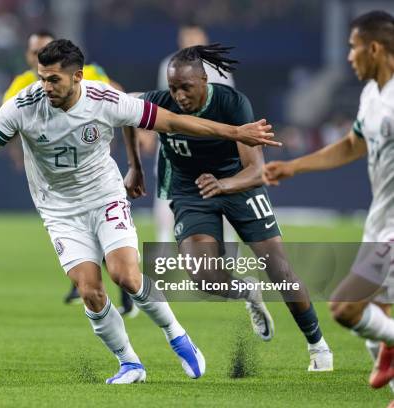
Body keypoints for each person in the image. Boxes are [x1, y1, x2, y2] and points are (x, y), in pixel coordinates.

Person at [0, 39, 277, 383]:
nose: (45, 87)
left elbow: (172, 122)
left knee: (125, 276)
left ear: (78, 76)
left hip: (105, 197)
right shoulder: (23, 106)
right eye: (41, 78)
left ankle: (178, 336)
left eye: (54, 80)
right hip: (59, 210)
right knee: (90, 291)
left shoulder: (105, 99)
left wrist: (235, 132)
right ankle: (129, 363)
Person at [124, 44, 333, 371]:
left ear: (204, 80)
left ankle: (318, 346)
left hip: (239, 186)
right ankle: (247, 292)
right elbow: (126, 110)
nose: (178, 96)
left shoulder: (232, 103)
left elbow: (256, 170)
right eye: (173, 88)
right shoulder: (161, 101)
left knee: (280, 271)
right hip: (192, 193)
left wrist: (224, 184)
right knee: (203, 276)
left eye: (186, 88)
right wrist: (135, 165)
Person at [264, 10, 394, 388]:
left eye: (353, 48)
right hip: (379, 221)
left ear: (373, 48)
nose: (349, 57)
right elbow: (353, 144)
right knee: (377, 317)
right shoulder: (371, 96)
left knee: (345, 307)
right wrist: (294, 167)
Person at [2, 29, 135, 314]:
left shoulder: (91, 73)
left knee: (104, 236)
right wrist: (16, 151)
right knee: (86, 235)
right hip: (56, 177)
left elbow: (121, 99)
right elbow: (6, 124)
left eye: (43, 49)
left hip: (93, 171)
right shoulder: (24, 84)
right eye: (33, 51)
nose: (37, 55)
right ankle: (92, 285)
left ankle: (124, 291)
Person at [154, 24, 235, 244]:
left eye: (194, 36)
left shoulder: (218, 66)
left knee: (224, 197)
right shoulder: (169, 65)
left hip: (212, 142)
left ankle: (229, 256)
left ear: (204, 38)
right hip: (177, 140)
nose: (190, 41)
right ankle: (163, 251)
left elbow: (228, 103)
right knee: (167, 195)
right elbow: (165, 104)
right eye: (186, 37)